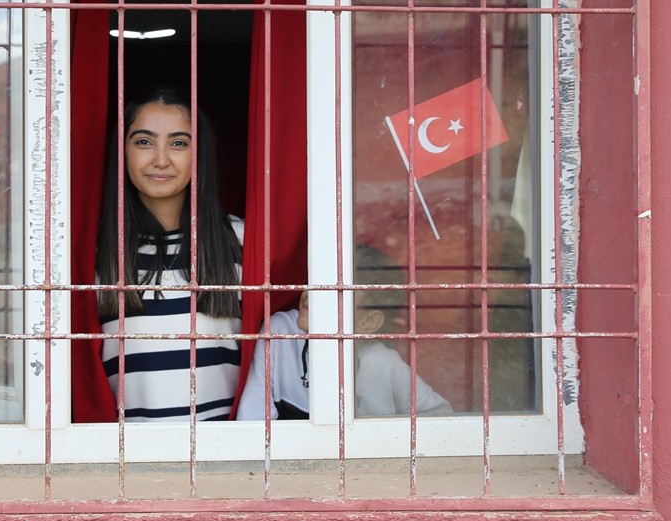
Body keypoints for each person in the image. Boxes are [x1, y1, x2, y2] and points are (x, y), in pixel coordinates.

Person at [95, 87, 244, 421]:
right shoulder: (96, 251)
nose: (160, 159)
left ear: (198, 153)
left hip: (225, 457)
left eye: (178, 143)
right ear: (122, 151)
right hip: (127, 460)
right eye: (144, 142)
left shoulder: (238, 240)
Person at [236, 246, 452, 420]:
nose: (312, 294)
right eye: (314, 281)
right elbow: (252, 422)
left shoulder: (381, 364)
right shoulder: (279, 332)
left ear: (368, 321)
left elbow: (442, 421)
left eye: (333, 289)